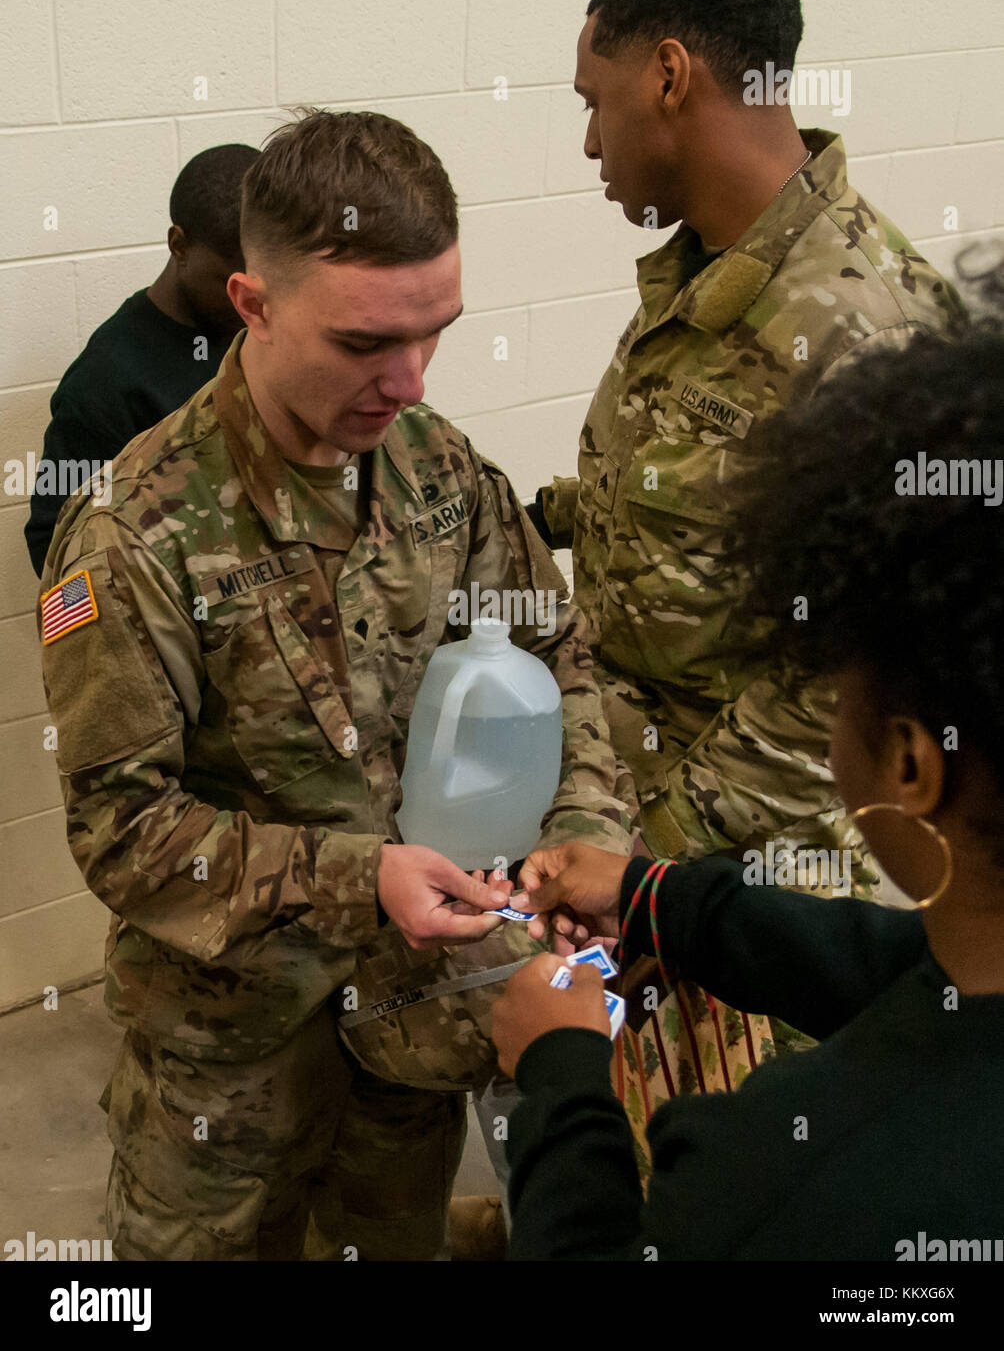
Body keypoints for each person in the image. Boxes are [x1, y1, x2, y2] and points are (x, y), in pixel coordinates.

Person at [36, 108, 633, 1261]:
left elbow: (557, 655)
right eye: (365, 344)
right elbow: (120, 828)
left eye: (435, 333)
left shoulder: (441, 470)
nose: (407, 382)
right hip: (233, 1054)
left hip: (416, 1020)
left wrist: (582, 835)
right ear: (252, 306)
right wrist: (364, 876)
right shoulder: (134, 536)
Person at [524, 0, 968, 1072]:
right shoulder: (707, 277)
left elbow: (849, 668)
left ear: (668, 76)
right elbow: (690, 503)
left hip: (754, 865)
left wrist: (650, 859)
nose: (587, 143)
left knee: (729, 1177)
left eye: (591, 99)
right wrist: (531, 519)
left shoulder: (862, 326)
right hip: (641, 814)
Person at [493, 327, 1004, 1259]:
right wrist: (657, 901)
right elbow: (901, 971)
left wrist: (563, 1079)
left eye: (838, 687)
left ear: (914, 766)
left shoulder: (780, 1187)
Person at [24, 143, 259, 577]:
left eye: (262, 280)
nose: (247, 302)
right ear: (179, 245)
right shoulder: (105, 381)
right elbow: (51, 544)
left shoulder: (260, 328)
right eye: (228, 280)